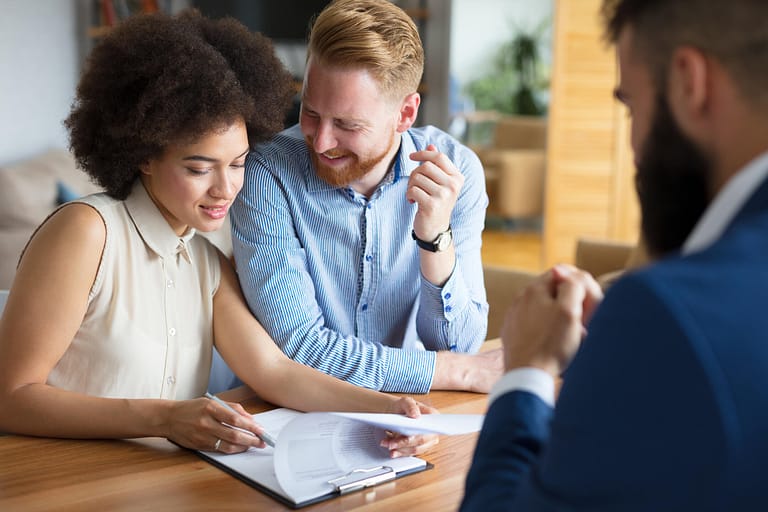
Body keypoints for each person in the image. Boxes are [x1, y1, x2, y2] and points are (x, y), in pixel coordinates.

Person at [0, 9, 438, 458]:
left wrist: (392, 410)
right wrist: (165, 418)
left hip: (162, 488)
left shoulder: (206, 261)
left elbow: (277, 372)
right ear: (144, 155)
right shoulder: (87, 232)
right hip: (57, 487)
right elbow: (10, 397)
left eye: (238, 163)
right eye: (198, 167)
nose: (225, 189)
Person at [461, 0, 768, 509]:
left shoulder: (666, 314)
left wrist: (527, 370)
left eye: (631, 104)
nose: (635, 148)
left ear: (689, 82)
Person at [227, 0, 502, 394]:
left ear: (405, 114)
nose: (321, 141)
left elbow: (458, 344)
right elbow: (301, 350)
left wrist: (435, 238)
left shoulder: (457, 173)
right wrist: (450, 372)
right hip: (289, 415)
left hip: (412, 418)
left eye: (346, 124)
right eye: (309, 111)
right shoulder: (267, 174)